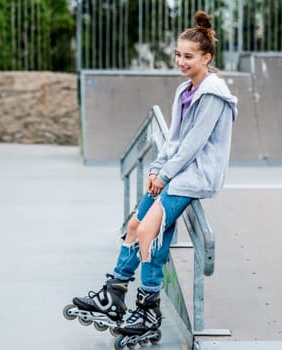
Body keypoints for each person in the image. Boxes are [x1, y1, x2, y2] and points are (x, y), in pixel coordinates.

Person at [72, 10, 238, 336]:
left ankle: (148, 310)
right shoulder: (184, 91)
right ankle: (114, 293)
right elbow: (173, 139)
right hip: (176, 173)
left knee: (150, 231)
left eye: (188, 56)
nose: (181, 61)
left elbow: (193, 145)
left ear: (207, 57)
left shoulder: (213, 95)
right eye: (178, 54)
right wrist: (157, 168)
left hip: (196, 176)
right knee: (135, 225)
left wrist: (165, 176)